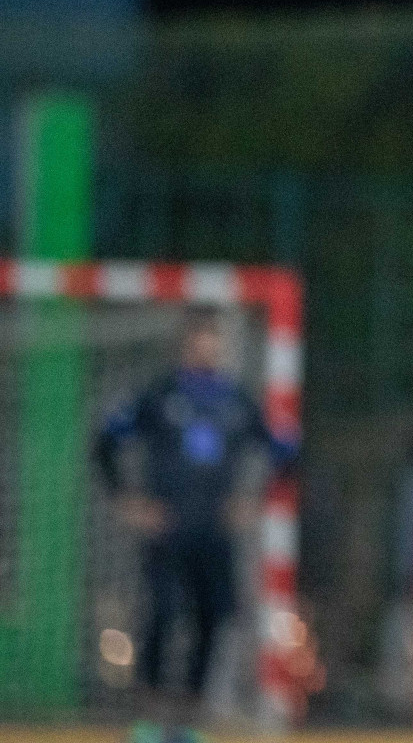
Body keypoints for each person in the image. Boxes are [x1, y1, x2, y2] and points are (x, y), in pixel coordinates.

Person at [95, 311, 296, 742]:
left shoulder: (236, 401)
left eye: (214, 339)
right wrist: (126, 499)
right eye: (200, 338)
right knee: (163, 616)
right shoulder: (159, 395)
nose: (207, 347)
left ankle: (188, 721)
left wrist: (252, 500)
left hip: (214, 536)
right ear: (186, 342)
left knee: (211, 620)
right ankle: (149, 720)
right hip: (167, 532)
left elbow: (284, 452)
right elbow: (106, 439)